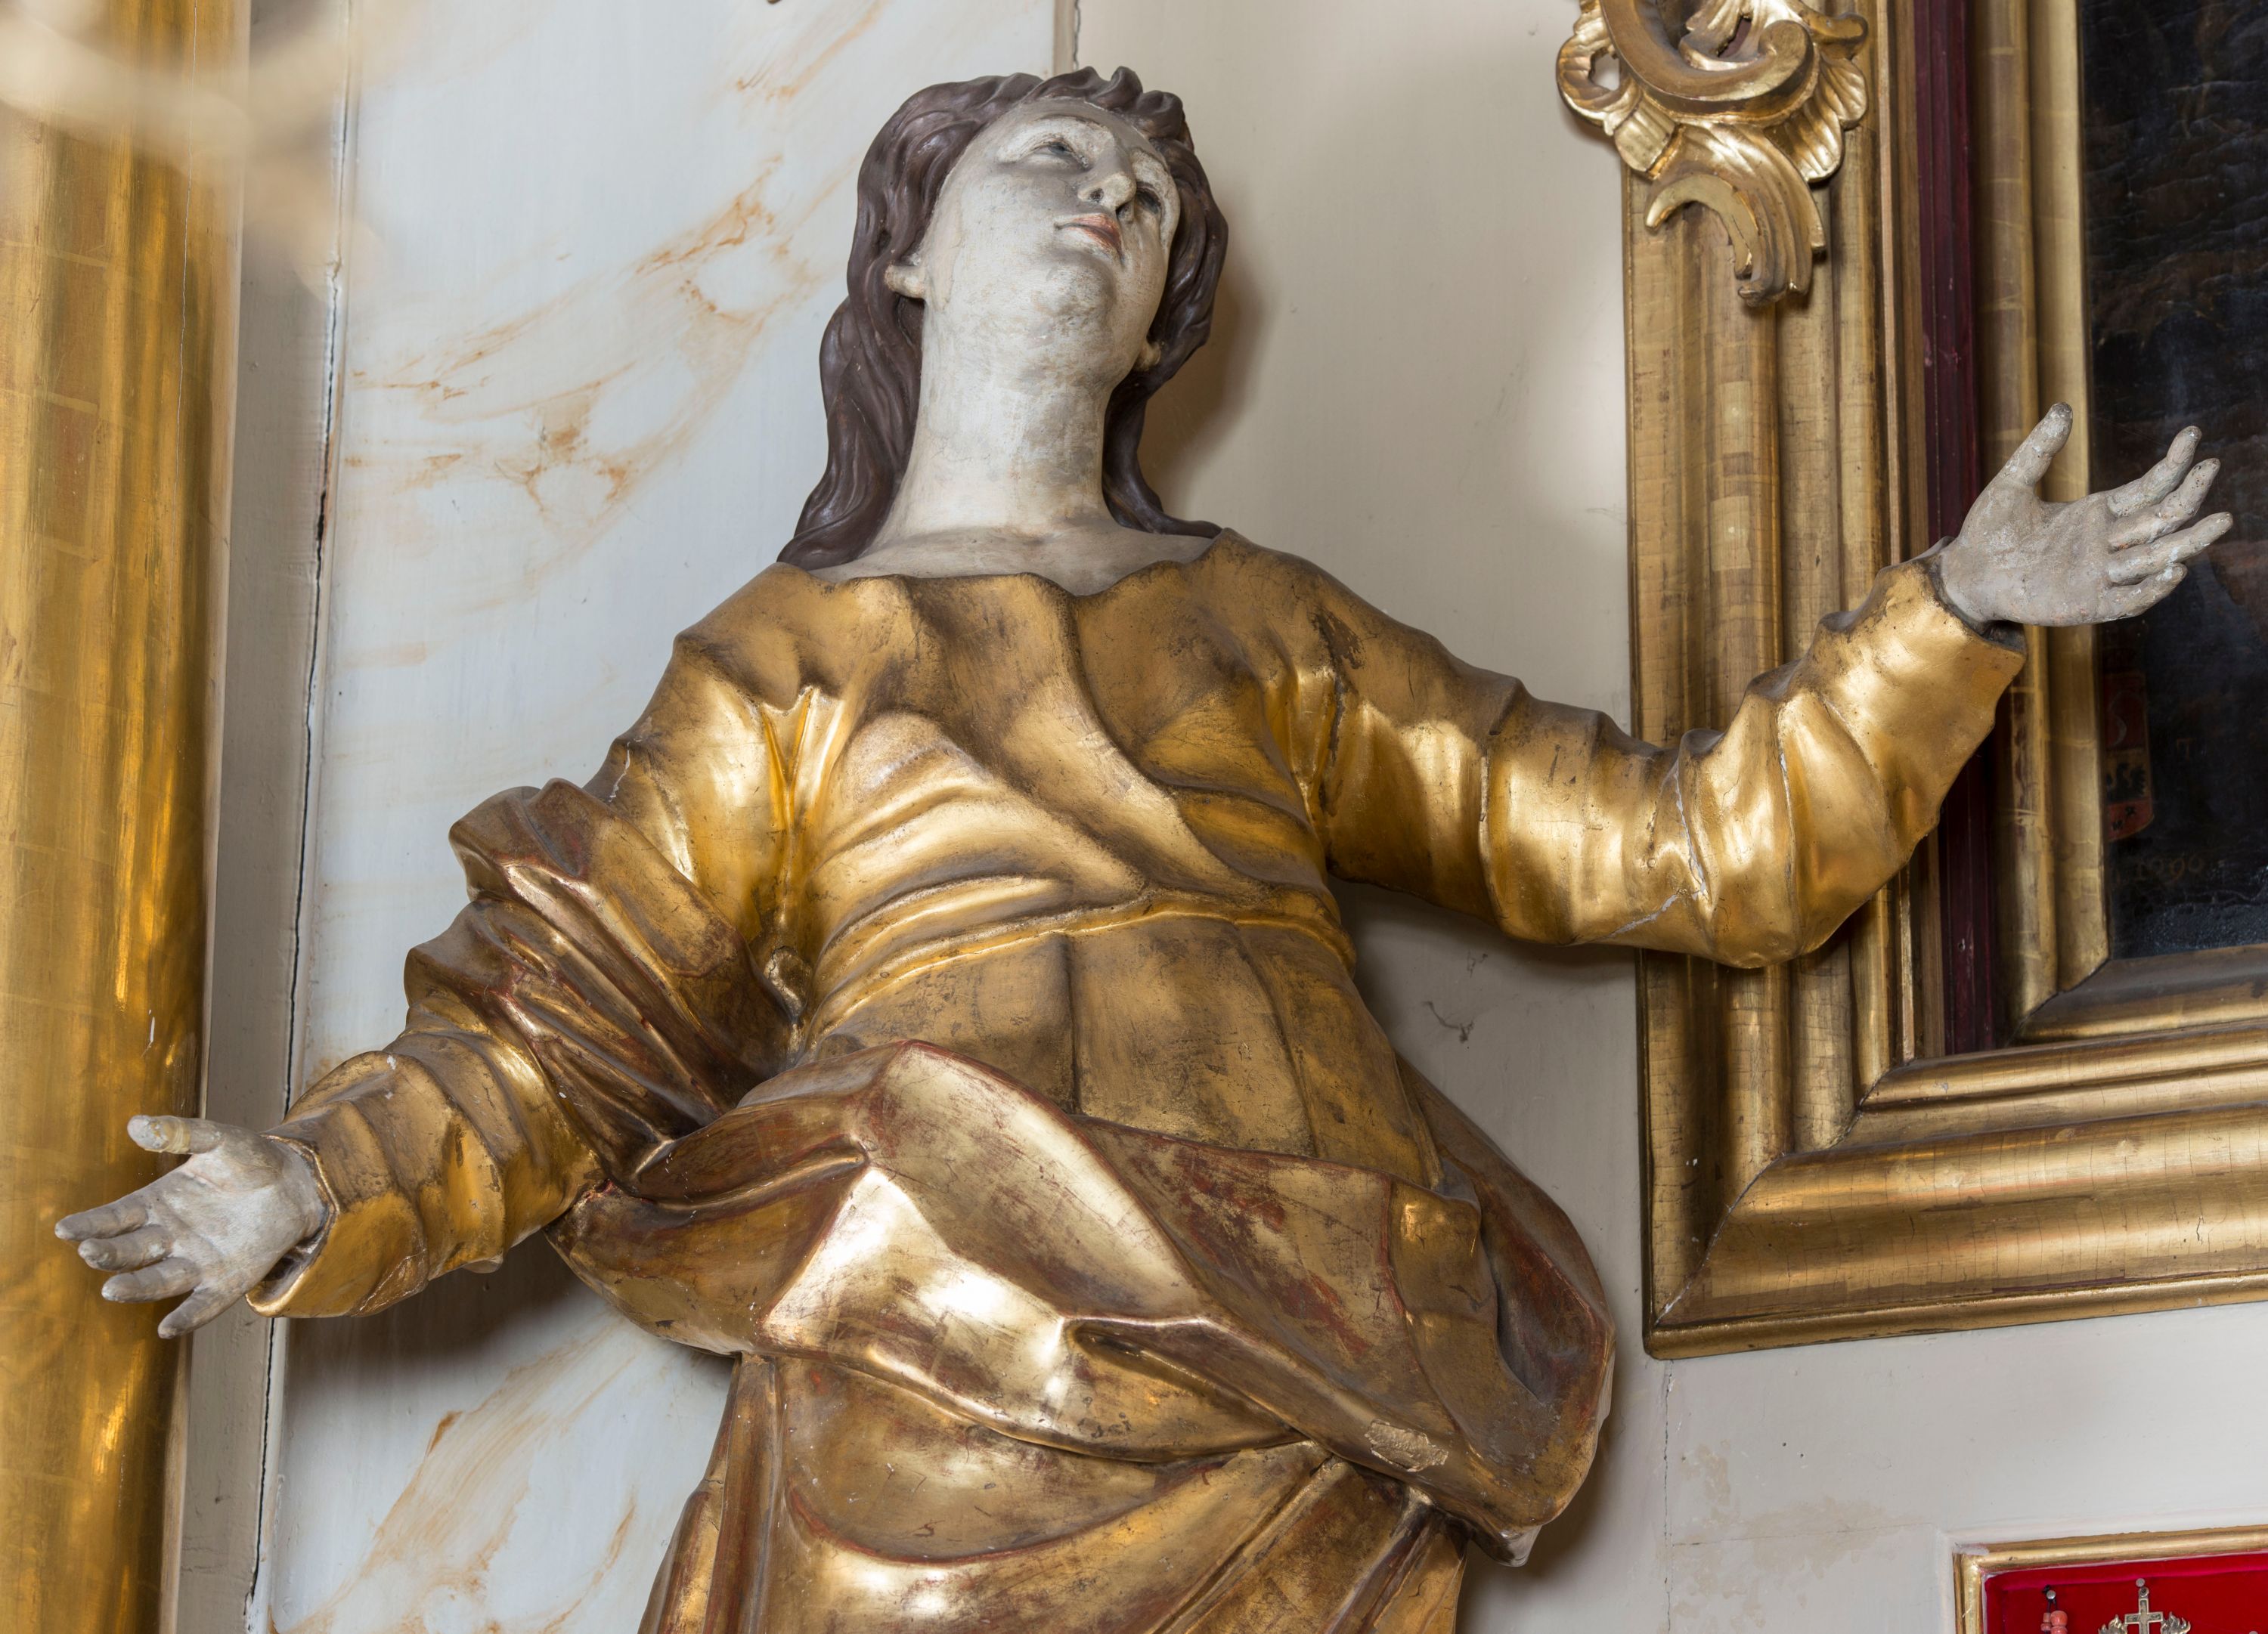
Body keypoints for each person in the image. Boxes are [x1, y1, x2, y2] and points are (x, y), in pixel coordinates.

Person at [57, 67, 2227, 1632]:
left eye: (1154, 199)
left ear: (1169, 304)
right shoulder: (781, 661)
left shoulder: (1267, 624)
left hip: (1298, 1341)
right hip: (933, 1340)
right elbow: (567, 1027)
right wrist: (316, 1184)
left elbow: (1675, 849)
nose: (1112, 196)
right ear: (909, 250)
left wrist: (1951, 619)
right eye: (1050, 161)